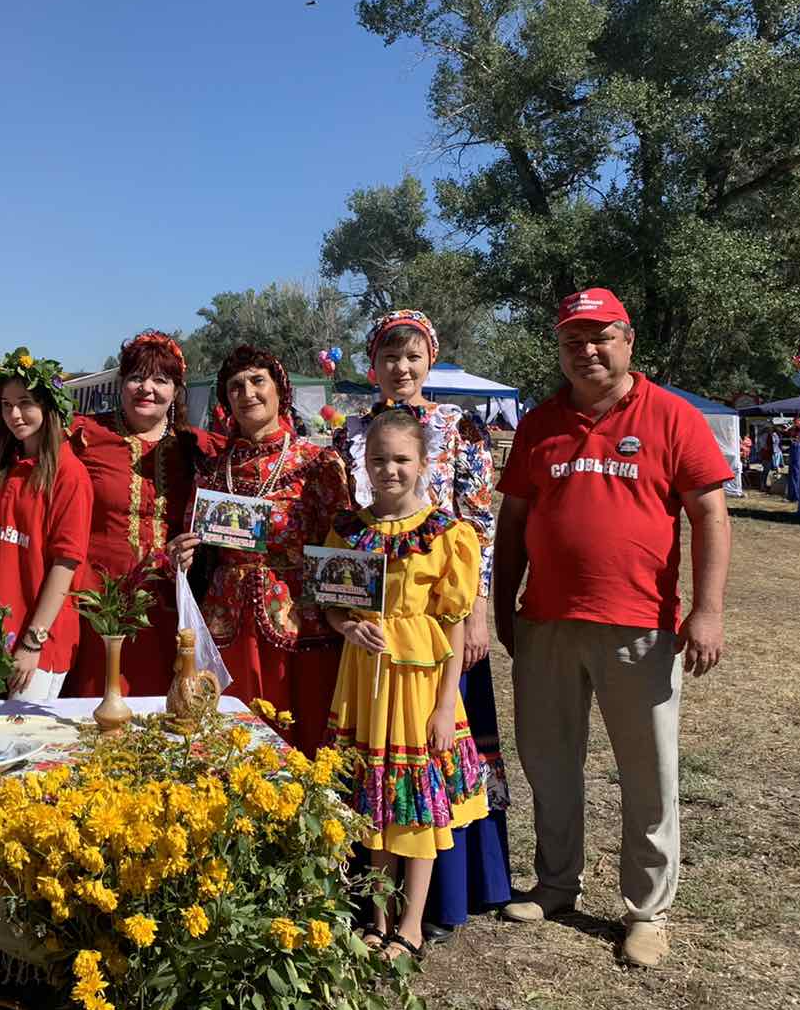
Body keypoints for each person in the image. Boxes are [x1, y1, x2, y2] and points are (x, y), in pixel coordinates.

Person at [495, 287, 732, 969]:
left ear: (628, 341)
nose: (587, 350)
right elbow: (512, 524)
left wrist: (707, 610)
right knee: (548, 762)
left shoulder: (672, 417)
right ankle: (557, 884)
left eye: (601, 337)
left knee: (648, 773)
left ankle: (647, 911)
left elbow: (711, 515)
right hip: (546, 623)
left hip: (639, 626)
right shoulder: (539, 424)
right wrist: (507, 603)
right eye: (573, 340)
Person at [332, 310, 509, 939]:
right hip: (374, 621)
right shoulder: (349, 430)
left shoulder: (460, 429)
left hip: (436, 626)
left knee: (432, 762)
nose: (400, 369)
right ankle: (377, 908)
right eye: (389, 358)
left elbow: (479, 526)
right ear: (374, 364)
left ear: (429, 360)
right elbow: (340, 545)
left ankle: (437, 904)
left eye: (412, 358)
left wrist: (478, 610)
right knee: (379, 775)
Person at [323, 409, 488, 958]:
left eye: (400, 459)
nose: (388, 470)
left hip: (420, 689)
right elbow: (331, 609)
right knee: (373, 802)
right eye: (378, 459)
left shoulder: (447, 534)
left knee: (415, 803)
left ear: (422, 463)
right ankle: (376, 914)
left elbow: (452, 620)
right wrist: (348, 625)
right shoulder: (348, 530)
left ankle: (412, 922)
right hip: (365, 682)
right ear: (363, 463)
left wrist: (447, 705)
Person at [195, 345, 348, 750]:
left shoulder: (316, 463)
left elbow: (339, 548)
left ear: (280, 390)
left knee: (303, 741)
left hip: (299, 629)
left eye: (257, 381)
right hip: (227, 624)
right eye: (235, 386)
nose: (247, 393)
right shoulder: (215, 469)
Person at [65, 331, 218, 697]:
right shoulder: (84, 434)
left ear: (176, 391)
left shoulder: (197, 446)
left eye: (160, 380)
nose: (146, 388)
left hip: (168, 603)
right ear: (121, 384)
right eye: (136, 377)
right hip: (95, 602)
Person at [0, 347, 93, 700]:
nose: (15, 414)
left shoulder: (69, 475)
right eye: (6, 405)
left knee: (23, 741)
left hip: (39, 640)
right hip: (3, 632)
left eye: (25, 402)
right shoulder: (8, 465)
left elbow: (66, 562)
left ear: (48, 406)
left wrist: (33, 640)